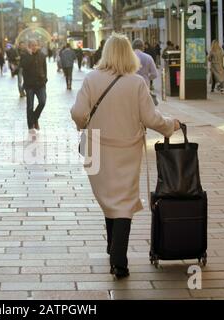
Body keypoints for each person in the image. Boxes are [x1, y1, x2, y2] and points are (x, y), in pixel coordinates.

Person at [71, 33, 180, 279]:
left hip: (95, 150)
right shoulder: (136, 83)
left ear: (106, 53)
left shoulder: (91, 79)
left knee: (110, 200)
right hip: (126, 151)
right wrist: (171, 125)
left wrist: (84, 124)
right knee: (122, 202)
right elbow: (152, 119)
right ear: (128, 54)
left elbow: (78, 113)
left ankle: (113, 249)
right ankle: (118, 260)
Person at [20, 40, 47, 132]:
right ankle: (30, 125)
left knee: (42, 102)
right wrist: (30, 55)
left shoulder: (42, 55)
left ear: (38, 46)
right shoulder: (25, 56)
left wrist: (44, 80)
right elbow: (24, 66)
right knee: (30, 106)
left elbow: (45, 68)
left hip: (40, 84)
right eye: (32, 45)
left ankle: (35, 118)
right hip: (29, 85)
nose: (34, 47)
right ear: (29, 47)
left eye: (35, 45)